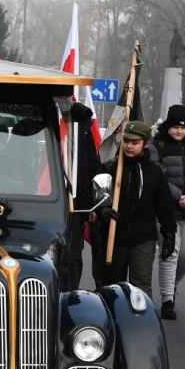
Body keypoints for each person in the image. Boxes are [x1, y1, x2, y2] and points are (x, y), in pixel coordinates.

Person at [95, 120, 176, 301]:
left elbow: (164, 204)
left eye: (134, 142)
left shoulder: (156, 171)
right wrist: (103, 211)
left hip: (143, 238)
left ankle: (141, 326)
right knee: (112, 286)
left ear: (146, 144)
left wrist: (169, 231)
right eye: (126, 141)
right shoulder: (111, 166)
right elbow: (98, 196)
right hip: (115, 236)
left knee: (141, 287)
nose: (129, 146)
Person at [151, 104, 185, 319]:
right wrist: (178, 196)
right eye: (175, 126)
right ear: (167, 126)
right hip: (165, 209)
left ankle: (173, 284)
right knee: (170, 253)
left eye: (183, 127)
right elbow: (156, 176)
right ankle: (168, 301)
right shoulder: (157, 146)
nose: (179, 131)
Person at [60, 102, 104, 292]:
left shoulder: (84, 131)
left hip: (76, 205)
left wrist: (93, 205)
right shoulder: (50, 126)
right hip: (49, 201)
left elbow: (92, 168)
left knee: (72, 257)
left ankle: (70, 298)